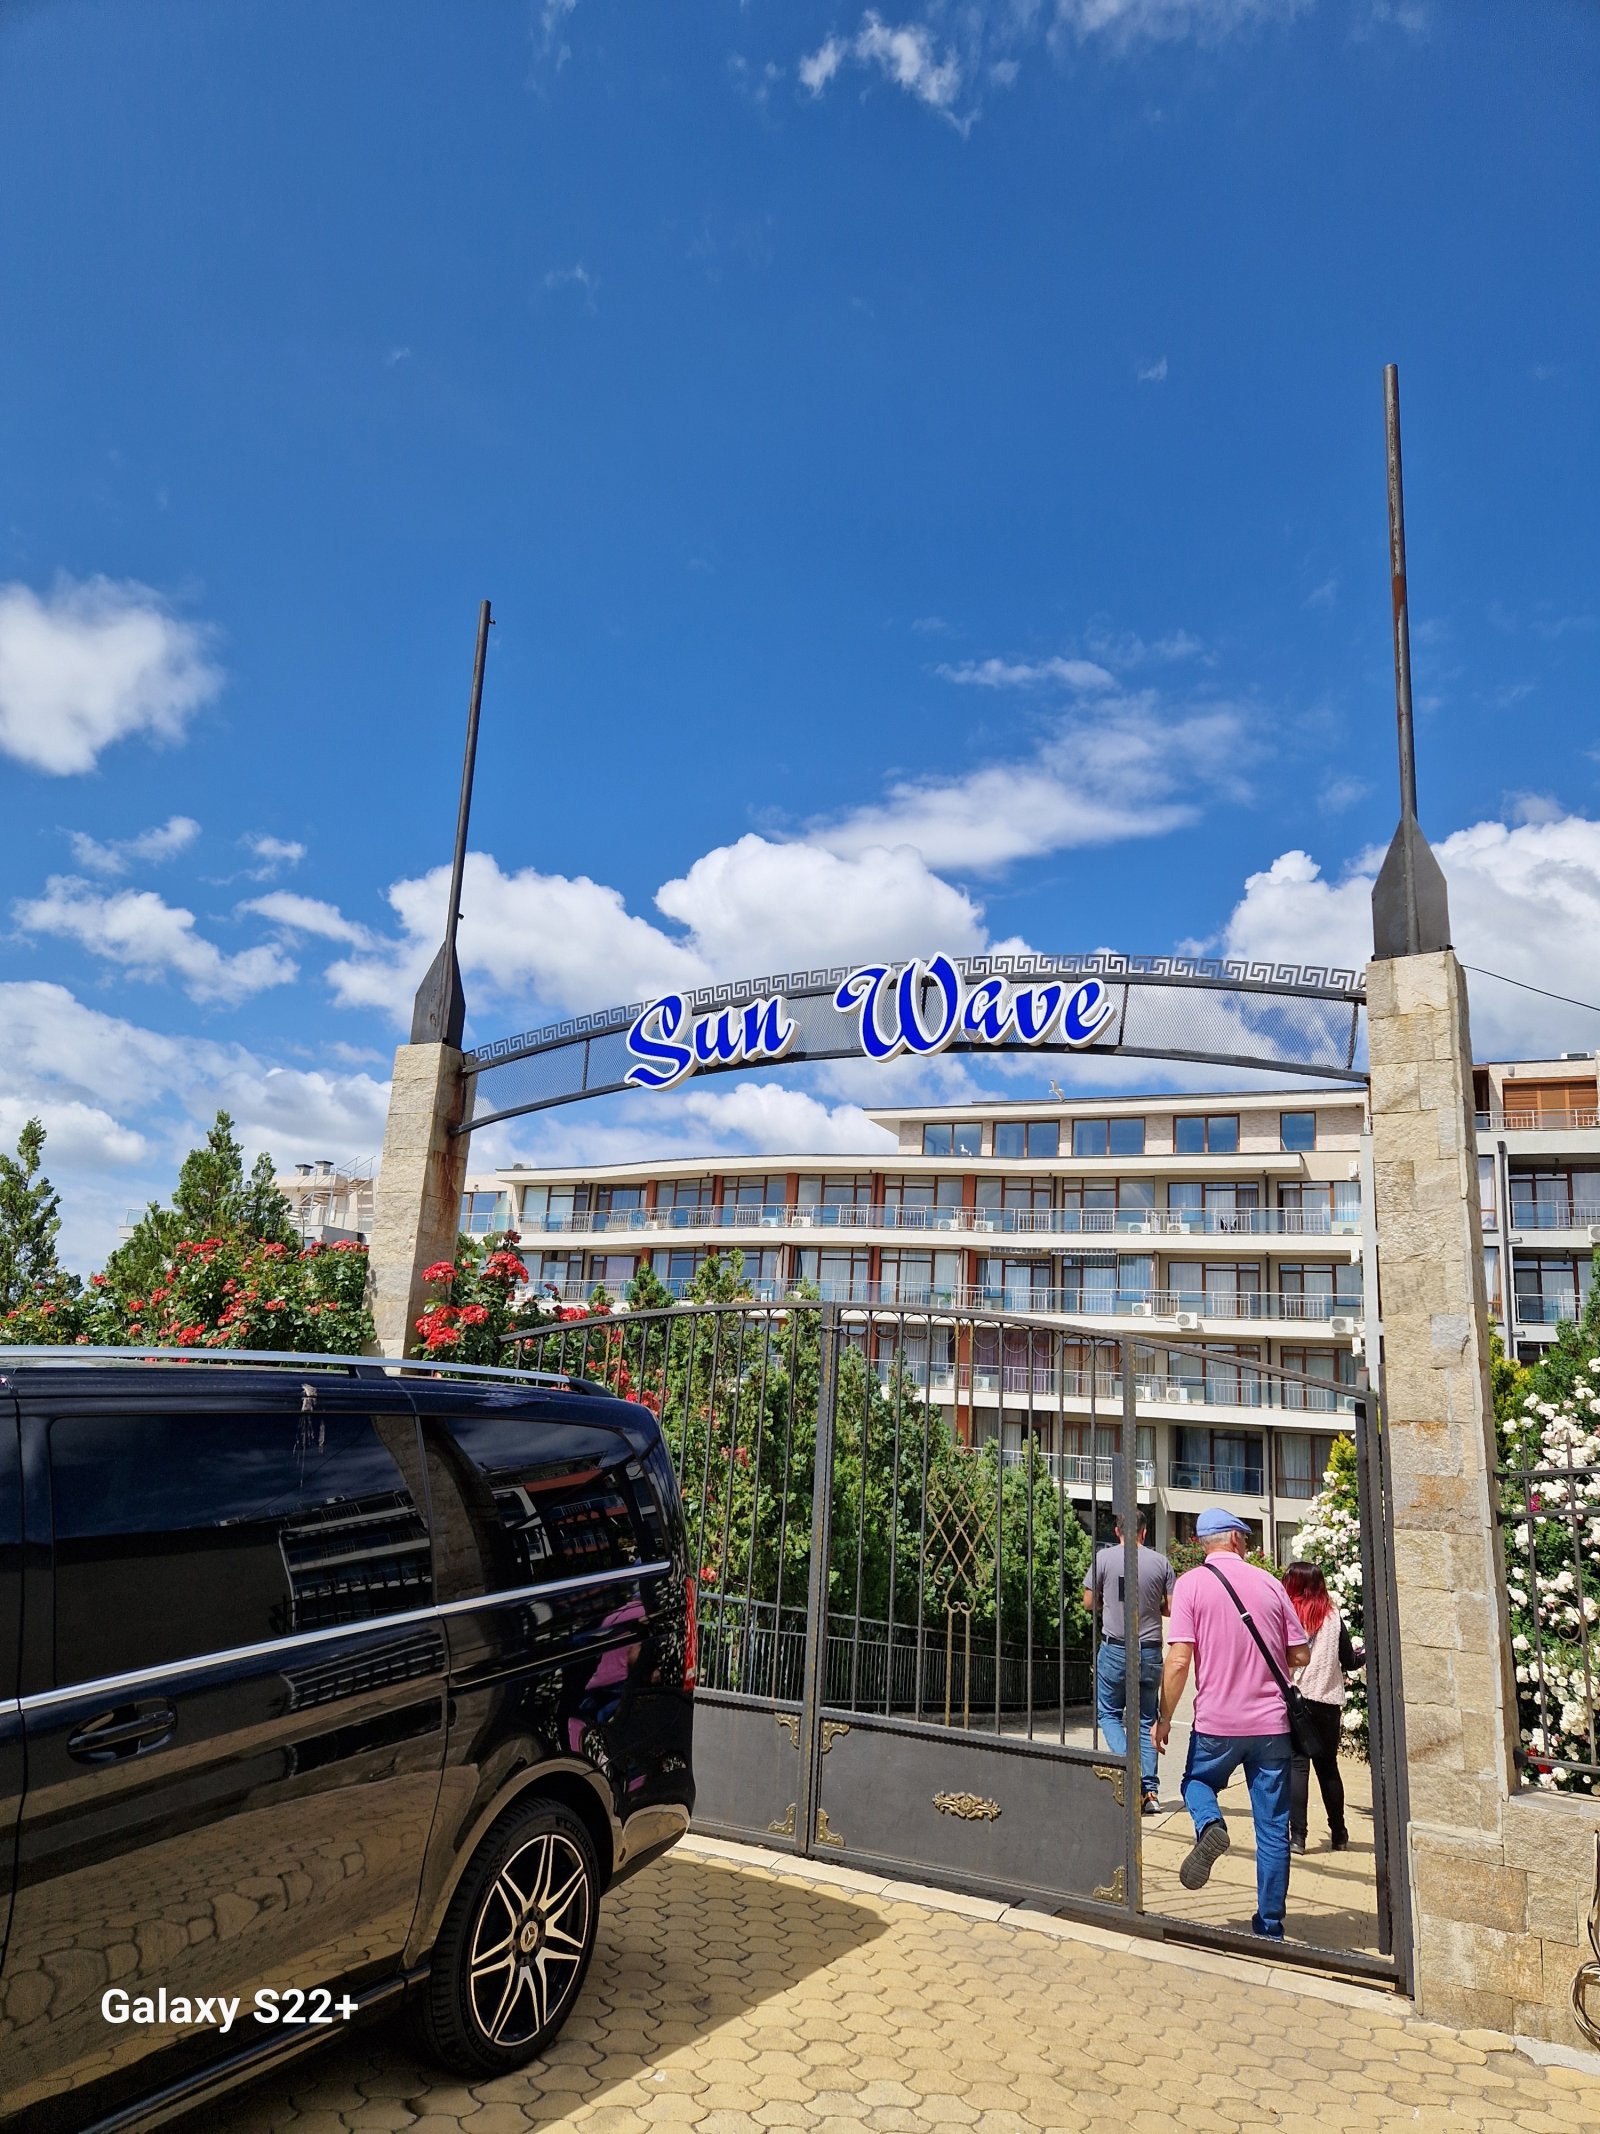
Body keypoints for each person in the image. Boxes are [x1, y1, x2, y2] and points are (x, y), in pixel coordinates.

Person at [1152, 1508, 1310, 1940]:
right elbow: (1300, 1654)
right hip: (1271, 1725)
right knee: (1273, 1827)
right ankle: (1270, 1925)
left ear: (1203, 1544)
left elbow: (1179, 1660)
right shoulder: (1269, 1583)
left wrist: (1164, 1718)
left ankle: (1211, 1826)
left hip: (1217, 1723)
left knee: (1196, 1782)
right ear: (1237, 1540)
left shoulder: (1190, 1585)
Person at [1082, 1511, 1174, 1815]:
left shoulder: (1103, 1558)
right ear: (1144, 1532)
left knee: (1108, 1713)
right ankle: (1150, 1792)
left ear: (1117, 1531)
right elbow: (1171, 1608)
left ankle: (1129, 1773)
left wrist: (1107, 1602)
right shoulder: (1160, 1563)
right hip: (1149, 1650)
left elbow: (1088, 1602)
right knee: (1147, 1719)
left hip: (1115, 1648)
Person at [1281, 1559, 1364, 1855]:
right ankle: (1339, 1833)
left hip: (1296, 1701)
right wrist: (1366, 1652)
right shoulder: (1332, 1616)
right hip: (1327, 1703)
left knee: (1297, 1766)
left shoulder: (1288, 1614)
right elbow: (1350, 1661)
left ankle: (1298, 1837)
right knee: (1328, 1768)